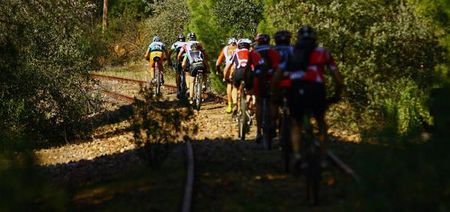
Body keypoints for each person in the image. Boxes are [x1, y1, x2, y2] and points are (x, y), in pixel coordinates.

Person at [274, 26, 344, 165]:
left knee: (296, 123)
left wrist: (275, 95)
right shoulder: (323, 53)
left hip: (297, 88)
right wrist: (336, 95)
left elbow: (277, 77)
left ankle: (298, 155)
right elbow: (338, 79)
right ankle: (323, 159)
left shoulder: (291, 52)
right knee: (321, 123)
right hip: (317, 89)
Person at [252, 33, 281, 144]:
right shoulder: (273, 50)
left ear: (258, 41)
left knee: (259, 103)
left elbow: (248, 70)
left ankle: (259, 132)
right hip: (272, 79)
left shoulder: (253, 51)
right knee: (273, 101)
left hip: (258, 80)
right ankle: (273, 124)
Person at [178, 32, 209, 99]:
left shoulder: (185, 44)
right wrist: (206, 60)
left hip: (190, 61)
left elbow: (180, 54)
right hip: (200, 60)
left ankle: (189, 88)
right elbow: (205, 53)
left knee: (187, 73)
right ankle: (203, 84)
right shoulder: (199, 44)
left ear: (188, 38)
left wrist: (179, 60)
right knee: (205, 71)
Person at [216, 38, 238, 113]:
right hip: (238, 68)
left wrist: (218, 71)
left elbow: (218, 62)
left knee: (229, 84)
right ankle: (238, 103)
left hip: (228, 69)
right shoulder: (239, 48)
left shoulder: (225, 49)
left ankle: (229, 106)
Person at [168, 33, 187, 99]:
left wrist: (169, 61)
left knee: (178, 74)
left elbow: (169, 53)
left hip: (178, 60)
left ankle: (178, 89)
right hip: (186, 60)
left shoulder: (175, 44)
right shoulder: (186, 43)